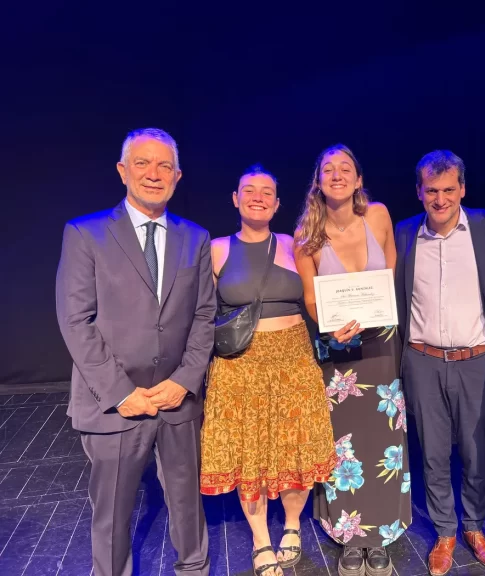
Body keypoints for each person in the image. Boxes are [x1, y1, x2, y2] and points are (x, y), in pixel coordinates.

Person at [55, 128, 214, 576]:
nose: (154, 173)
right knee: (112, 517)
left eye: (165, 165)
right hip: (115, 403)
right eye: (142, 163)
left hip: (176, 399)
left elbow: (204, 317)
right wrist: (123, 393)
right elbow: (75, 321)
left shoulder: (195, 237)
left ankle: (195, 569)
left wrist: (183, 381)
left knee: (187, 505)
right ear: (123, 171)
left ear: (178, 176)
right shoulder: (84, 234)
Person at [199, 165, 336, 576]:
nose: (258, 197)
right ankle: (261, 539)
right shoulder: (217, 249)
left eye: (267, 192)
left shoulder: (297, 244)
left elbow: (320, 297)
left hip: (294, 359)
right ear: (235, 199)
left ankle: (292, 525)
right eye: (249, 190)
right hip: (240, 366)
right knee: (250, 452)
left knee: (297, 446)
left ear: (277, 204)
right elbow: (201, 312)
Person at [294, 144, 409, 576]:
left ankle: (379, 534)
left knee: (384, 441)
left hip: (381, 347)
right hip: (339, 358)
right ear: (319, 180)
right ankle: (350, 537)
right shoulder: (308, 232)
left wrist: (378, 313)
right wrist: (332, 326)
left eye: (346, 169)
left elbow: (390, 273)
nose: (338, 175)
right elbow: (310, 298)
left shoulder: (378, 215)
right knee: (345, 447)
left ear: (359, 179)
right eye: (329, 169)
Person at [394, 150, 485, 576]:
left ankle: (474, 527)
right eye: (431, 191)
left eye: (448, 190)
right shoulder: (405, 234)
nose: (440, 199)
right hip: (421, 359)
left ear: (462, 189)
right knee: (434, 453)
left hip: (476, 359)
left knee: (478, 453)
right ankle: (445, 530)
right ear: (419, 191)